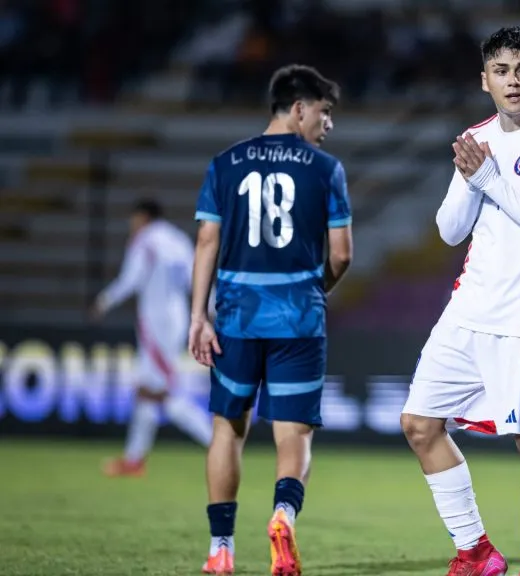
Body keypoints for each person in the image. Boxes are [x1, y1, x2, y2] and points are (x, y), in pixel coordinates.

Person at [400, 26, 520, 576]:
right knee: (419, 424)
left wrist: (490, 178)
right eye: (501, 71)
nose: (513, 80)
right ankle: (477, 551)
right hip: (468, 309)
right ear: (484, 81)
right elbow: (449, 231)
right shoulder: (476, 138)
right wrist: (472, 178)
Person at [188, 64, 353, 576]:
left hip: (236, 317)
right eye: (324, 113)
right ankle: (283, 515)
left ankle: (220, 549)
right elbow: (343, 255)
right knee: (295, 435)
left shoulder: (225, 163)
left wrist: (199, 315)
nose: (328, 126)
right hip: (299, 322)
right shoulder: (326, 170)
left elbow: (207, 242)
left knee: (227, 430)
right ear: (299, 109)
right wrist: (313, 289)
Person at [92, 199, 214, 477]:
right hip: (176, 317)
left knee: (163, 393)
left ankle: (216, 443)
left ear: (143, 217)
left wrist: (104, 301)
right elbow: (195, 277)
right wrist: (212, 306)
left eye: (133, 219)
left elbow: (130, 279)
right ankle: (134, 460)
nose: (131, 225)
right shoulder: (178, 240)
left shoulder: (145, 241)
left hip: (156, 323)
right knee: (147, 390)